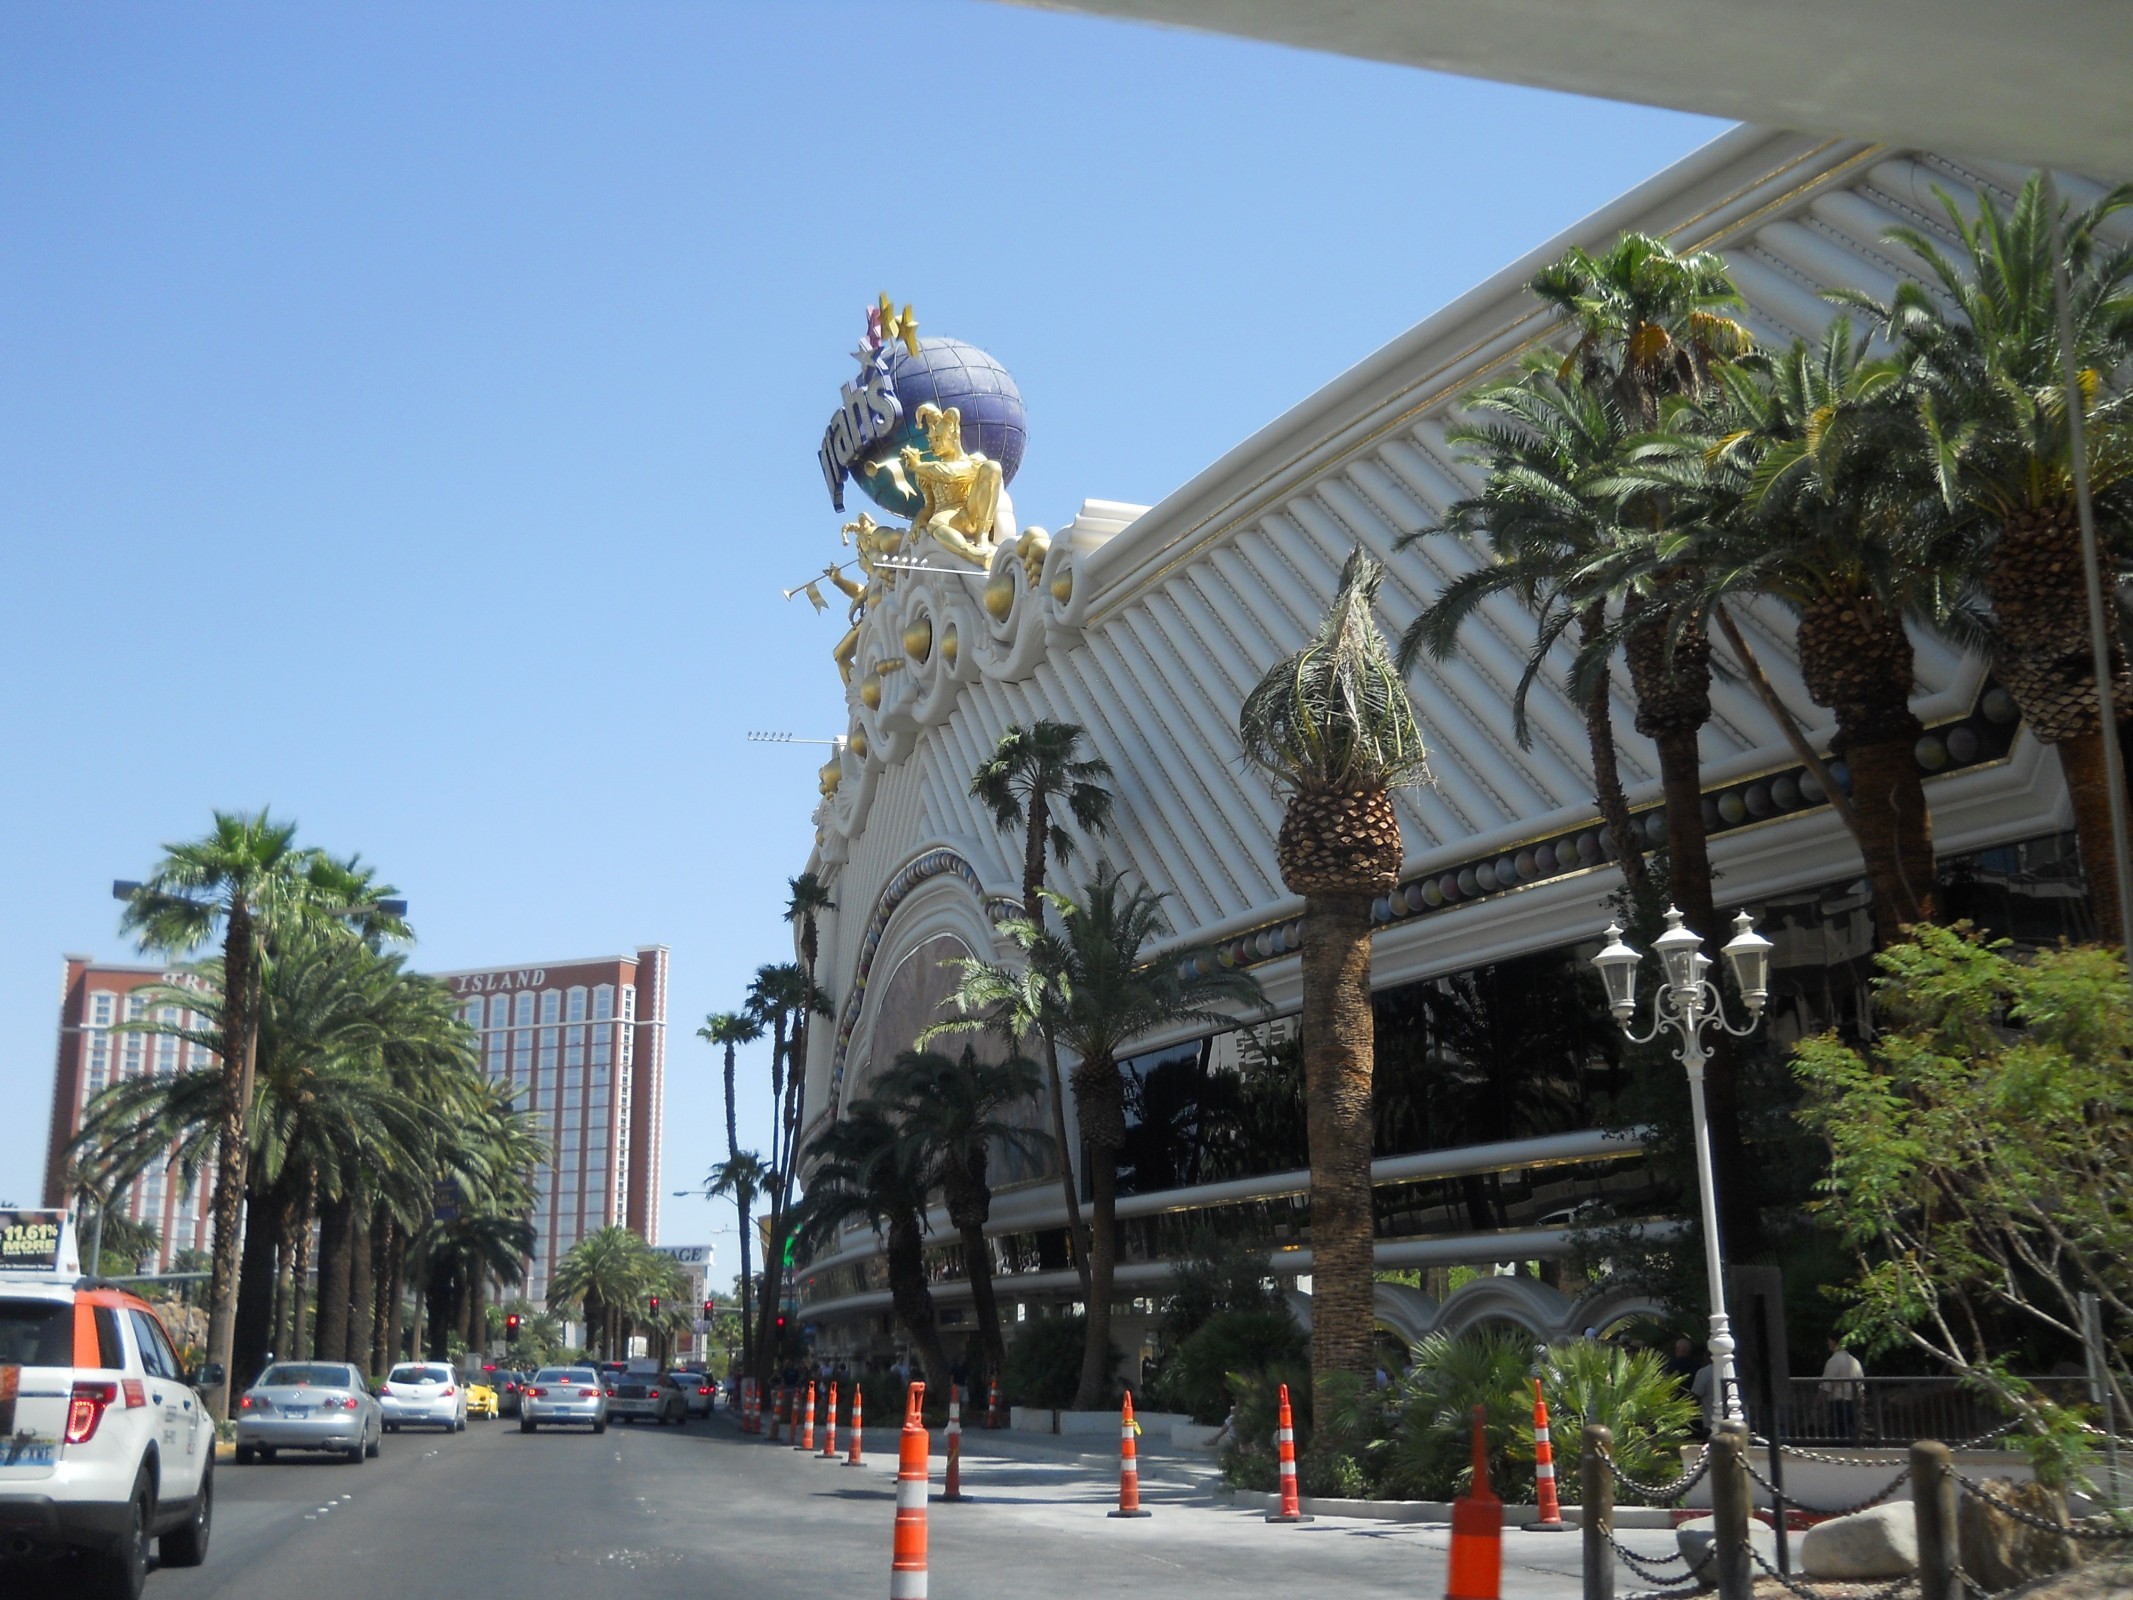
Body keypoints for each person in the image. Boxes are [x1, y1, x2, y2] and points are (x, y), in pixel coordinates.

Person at [1820, 1335, 1865, 1442]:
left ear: (1833, 1342)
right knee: (1853, 1435)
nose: (1828, 1343)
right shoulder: (1855, 1361)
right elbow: (1861, 1386)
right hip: (1854, 1402)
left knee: (1840, 1435)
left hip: (1839, 1403)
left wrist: (1818, 1404)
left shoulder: (1833, 1361)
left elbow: (1827, 1386)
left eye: (1829, 1341)